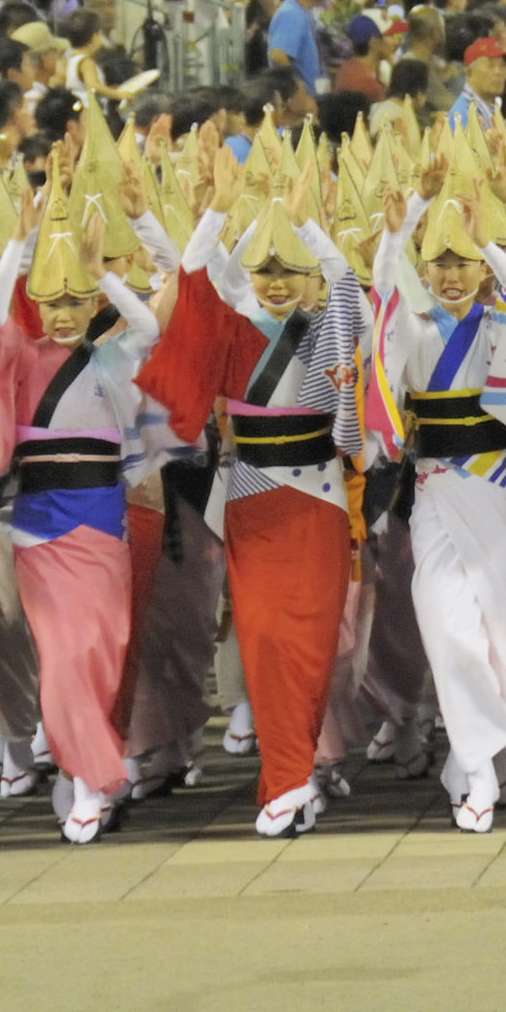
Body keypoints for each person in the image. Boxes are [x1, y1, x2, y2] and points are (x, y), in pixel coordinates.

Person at [139, 164, 364, 838]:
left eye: (289, 270)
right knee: (265, 643)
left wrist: (303, 223)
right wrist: (219, 212)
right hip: (252, 498)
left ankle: (296, 775)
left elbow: (348, 285)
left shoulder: (329, 324)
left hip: (318, 501)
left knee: (313, 645)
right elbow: (197, 279)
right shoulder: (230, 329)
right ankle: (287, 779)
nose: (275, 281)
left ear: (310, 278)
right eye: (264, 271)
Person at [0, 153, 159, 843]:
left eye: (76, 300)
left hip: (103, 519)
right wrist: (19, 240)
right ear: (35, 300)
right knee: (65, 654)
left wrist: (102, 272)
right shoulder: (15, 350)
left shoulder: (112, 353)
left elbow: (151, 329)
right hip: (40, 525)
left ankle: (82, 771)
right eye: (53, 300)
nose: (64, 312)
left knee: (101, 651)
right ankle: (89, 777)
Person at [369, 168, 506, 832]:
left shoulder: (505, 323)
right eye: (439, 261)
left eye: (463, 262)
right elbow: (384, 296)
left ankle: (490, 758)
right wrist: (404, 219)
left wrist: (487, 235)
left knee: (502, 634)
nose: (450, 274)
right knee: (447, 627)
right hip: (438, 491)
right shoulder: (413, 329)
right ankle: (475, 766)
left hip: (500, 488)